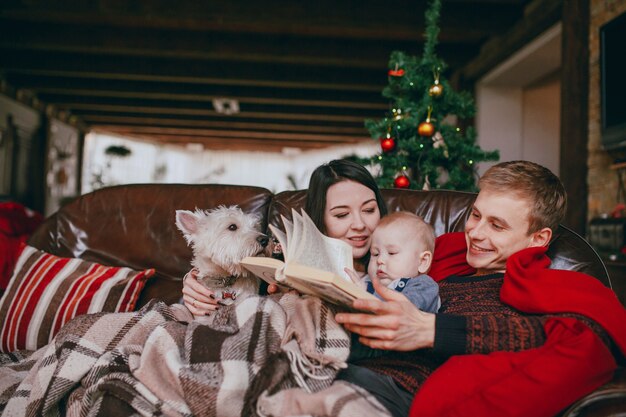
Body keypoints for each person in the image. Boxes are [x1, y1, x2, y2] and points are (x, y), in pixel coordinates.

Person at [334, 160, 624, 417]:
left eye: (497, 226)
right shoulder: (444, 252)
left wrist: (435, 330)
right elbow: (381, 259)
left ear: (538, 239)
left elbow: (582, 340)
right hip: (351, 364)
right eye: (475, 215)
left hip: (395, 391)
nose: (475, 232)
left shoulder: (556, 286)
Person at [181, 158, 388, 316]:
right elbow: (228, 271)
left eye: (369, 210)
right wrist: (194, 283)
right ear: (320, 219)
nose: (360, 225)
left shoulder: (404, 259)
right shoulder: (286, 260)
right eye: (342, 215)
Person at [347, 210, 440, 361]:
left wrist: (363, 296)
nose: (380, 261)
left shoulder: (423, 284)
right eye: (375, 254)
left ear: (422, 262)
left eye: (392, 253)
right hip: (368, 339)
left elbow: (405, 309)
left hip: (398, 350)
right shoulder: (369, 284)